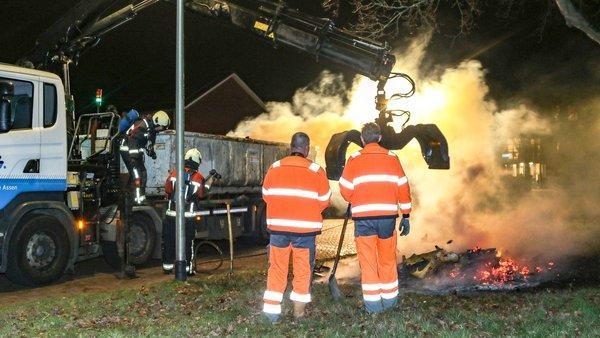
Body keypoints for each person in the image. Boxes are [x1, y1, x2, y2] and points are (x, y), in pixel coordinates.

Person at [338, 122, 412, 313]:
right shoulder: (392, 158)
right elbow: (403, 188)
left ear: (362, 139)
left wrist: (358, 198)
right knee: (387, 260)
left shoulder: (354, 158)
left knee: (368, 262)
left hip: (364, 220)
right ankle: (390, 303)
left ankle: (373, 307)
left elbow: (345, 190)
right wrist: (406, 215)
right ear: (379, 138)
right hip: (387, 219)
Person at [261, 132, 331, 323]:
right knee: (302, 270)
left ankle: (272, 314)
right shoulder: (316, 170)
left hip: (278, 230)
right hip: (305, 232)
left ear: (291, 147)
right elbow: (325, 201)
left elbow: (266, 196)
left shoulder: (274, 168)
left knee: (276, 269)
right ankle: (298, 314)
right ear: (306, 148)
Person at [162, 148, 205, 275]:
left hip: (171, 215)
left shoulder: (174, 173)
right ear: (197, 162)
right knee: (187, 243)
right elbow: (201, 194)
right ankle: (187, 270)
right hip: (187, 217)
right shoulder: (198, 177)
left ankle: (167, 267)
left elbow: (168, 190)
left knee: (169, 241)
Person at [119, 110, 170, 204]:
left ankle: (140, 198)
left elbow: (148, 143)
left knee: (143, 174)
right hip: (128, 152)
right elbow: (133, 142)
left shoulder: (151, 129)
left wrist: (151, 152)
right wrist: (133, 159)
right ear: (157, 123)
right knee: (137, 177)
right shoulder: (142, 127)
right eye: (162, 128)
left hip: (136, 154)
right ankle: (136, 202)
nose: (161, 130)